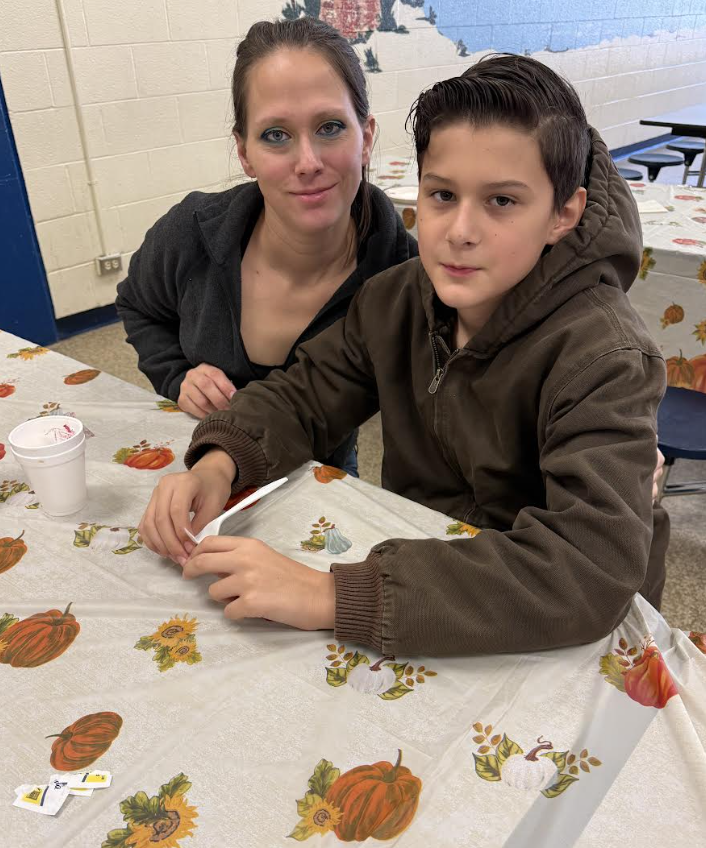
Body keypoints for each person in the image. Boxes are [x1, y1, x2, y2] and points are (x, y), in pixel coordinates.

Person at [138, 54, 669, 657]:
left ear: (563, 214)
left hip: (551, 633)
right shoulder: (395, 299)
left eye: (502, 202)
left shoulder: (605, 356)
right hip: (419, 575)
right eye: (442, 194)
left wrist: (330, 596)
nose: (459, 230)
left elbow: (584, 572)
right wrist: (219, 463)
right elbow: (306, 393)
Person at [115, 18, 417, 476]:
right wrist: (177, 376)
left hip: (325, 481)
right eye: (276, 135)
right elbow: (138, 304)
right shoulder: (191, 234)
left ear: (366, 138)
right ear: (244, 153)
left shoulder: (405, 276)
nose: (308, 162)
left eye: (331, 127)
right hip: (200, 469)